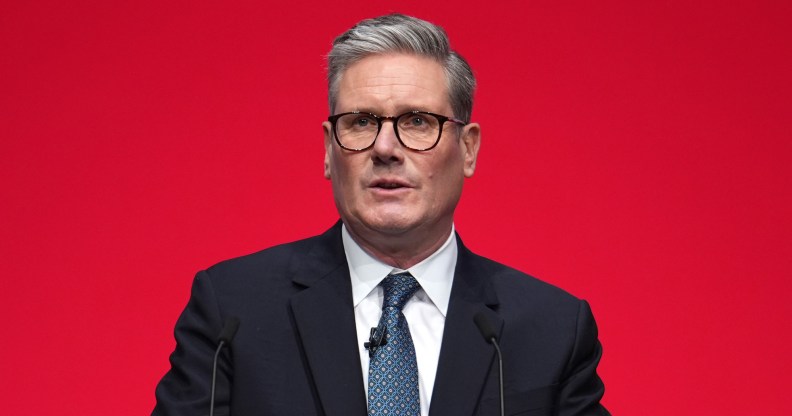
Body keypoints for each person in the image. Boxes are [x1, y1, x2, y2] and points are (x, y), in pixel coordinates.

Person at [152, 14, 609, 416]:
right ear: (330, 150)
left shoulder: (551, 329)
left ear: (468, 149)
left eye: (416, 122)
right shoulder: (234, 310)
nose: (385, 149)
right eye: (361, 122)